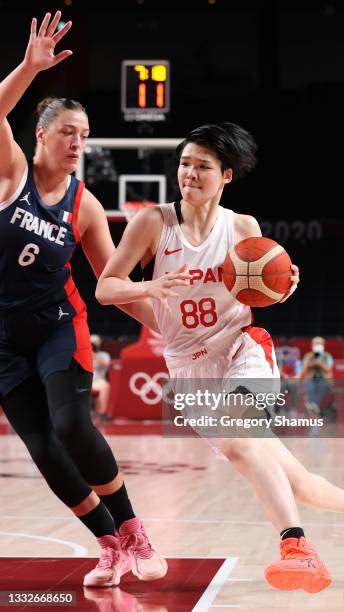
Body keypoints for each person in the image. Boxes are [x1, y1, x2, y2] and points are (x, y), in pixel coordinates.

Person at [96, 122, 344, 593]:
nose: (190, 174)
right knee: (297, 483)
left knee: (240, 442)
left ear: (226, 176)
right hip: (188, 369)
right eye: (184, 164)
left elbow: (259, 290)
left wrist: (282, 284)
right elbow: (106, 288)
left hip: (242, 348)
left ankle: (296, 548)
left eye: (202, 167)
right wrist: (150, 288)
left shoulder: (242, 227)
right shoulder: (153, 223)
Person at [0, 11, 189, 588]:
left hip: (58, 325)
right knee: (43, 451)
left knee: (71, 425)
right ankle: (109, 544)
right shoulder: (10, 173)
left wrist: (170, 322)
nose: (79, 143)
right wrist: (30, 68)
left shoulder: (83, 205)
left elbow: (112, 284)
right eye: (68, 134)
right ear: (41, 136)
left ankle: (135, 531)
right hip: (4, 340)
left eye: (84, 136)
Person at [302, 336, 334, 417]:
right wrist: (311, 364)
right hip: (310, 379)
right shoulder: (308, 356)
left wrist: (320, 364)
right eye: (316, 344)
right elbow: (304, 369)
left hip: (324, 379)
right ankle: (315, 409)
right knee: (310, 386)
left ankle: (313, 407)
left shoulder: (327, 356)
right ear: (312, 345)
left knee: (322, 386)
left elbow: (328, 368)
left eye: (319, 344)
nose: (318, 345)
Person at [90, 334, 112, 420]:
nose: (93, 345)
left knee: (105, 386)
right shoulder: (83, 354)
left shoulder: (104, 354)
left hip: (98, 381)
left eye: (95, 344)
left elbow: (105, 363)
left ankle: (102, 413)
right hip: (86, 380)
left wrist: (94, 355)